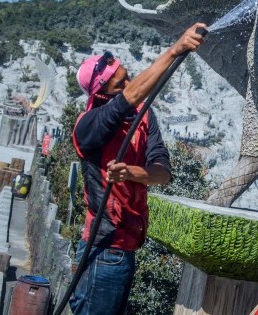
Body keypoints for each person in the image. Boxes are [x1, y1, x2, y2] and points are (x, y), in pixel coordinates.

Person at [69, 23, 206, 314]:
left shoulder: (144, 117)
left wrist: (132, 173)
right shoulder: (89, 125)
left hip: (126, 250)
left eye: (128, 76)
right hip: (103, 249)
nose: (129, 84)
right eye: (120, 83)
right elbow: (125, 101)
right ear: (102, 93)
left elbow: (162, 172)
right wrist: (175, 50)